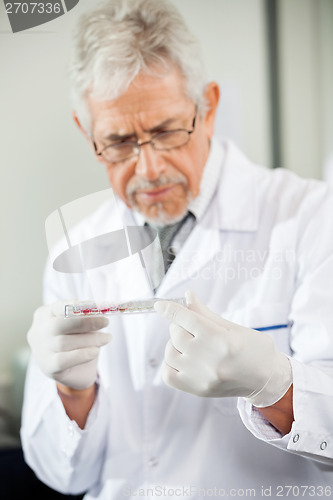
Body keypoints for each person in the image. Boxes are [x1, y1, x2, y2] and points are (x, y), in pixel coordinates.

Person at [21, 0, 333, 498]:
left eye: (166, 131)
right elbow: (63, 476)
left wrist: (275, 385)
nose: (148, 169)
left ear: (207, 108)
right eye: (119, 142)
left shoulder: (313, 217)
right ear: (88, 133)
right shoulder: (75, 250)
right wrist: (71, 390)